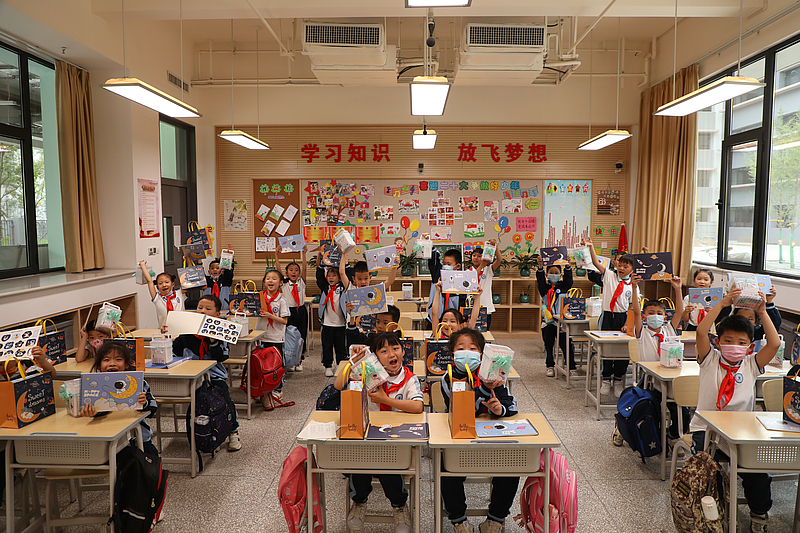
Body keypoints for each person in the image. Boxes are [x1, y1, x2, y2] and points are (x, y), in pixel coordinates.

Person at [690, 288, 779, 533]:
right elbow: (701, 332)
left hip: (741, 432)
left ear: (750, 347)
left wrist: (762, 311)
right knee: (710, 472)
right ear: (718, 342)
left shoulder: (751, 364)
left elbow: (774, 343)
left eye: (741, 343)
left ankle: (759, 513)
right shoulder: (709, 359)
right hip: (706, 429)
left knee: (757, 473)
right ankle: (713, 513)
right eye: (728, 341)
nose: (734, 346)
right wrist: (721, 305)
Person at [333, 332, 421, 533]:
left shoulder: (409, 379)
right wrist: (353, 361)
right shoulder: (367, 373)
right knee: (359, 461)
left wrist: (385, 400)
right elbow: (338, 385)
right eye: (384, 351)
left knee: (388, 464)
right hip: (367, 440)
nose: (391, 354)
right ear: (374, 356)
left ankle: (399, 506)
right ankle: (359, 501)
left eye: (395, 348)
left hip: (396, 442)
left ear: (403, 351)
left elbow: (417, 407)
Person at [440, 328, 519, 533]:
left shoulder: (494, 375)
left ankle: (495, 520)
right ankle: (459, 521)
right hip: (460, 441)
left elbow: (512, 406)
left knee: (513, 465)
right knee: (445, 467)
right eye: (461, 348)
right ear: (452, 354)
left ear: (483, 354)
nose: (466, 352)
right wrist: (484, 389)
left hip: (492, 441)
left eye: (473, 348)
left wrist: (499, 409)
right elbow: (461, 406)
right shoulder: (449, 377)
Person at [172, 295, 241, 451]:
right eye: (200, 308)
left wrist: (212, 340)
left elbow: (222, 356)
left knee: (226, 402)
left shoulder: (220, 332)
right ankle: (204, 434)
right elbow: (175, 351)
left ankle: (233, 431)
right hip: (191, 377)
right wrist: (168, 334)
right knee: (198, 407)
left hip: (214, 377)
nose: (203, 311)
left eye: (208, 309)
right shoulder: (188, 331)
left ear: (217, 314)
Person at [583, 238, 638, 397]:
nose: (621, 268)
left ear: (632, 269)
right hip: (608, 317)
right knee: (606, 349)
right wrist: (591, 247)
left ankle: (618, 380)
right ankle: (606, 379)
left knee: (623, 351)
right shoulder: (608, 275)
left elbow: (632, 306)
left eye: (626, 267)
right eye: (620, 265)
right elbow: (595, 262)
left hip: (623, 318)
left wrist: (627, 323)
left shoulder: (632, 285)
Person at [82, 342, 158, 456]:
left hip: (138, 438)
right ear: (99, 366)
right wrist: (91, 412)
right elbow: (97, 410)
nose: (112, 363)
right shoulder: (93, 387)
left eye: (118, 359)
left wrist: (144, 402)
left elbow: (153, 406)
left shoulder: (137, 384)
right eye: (106, 360)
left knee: (150, 457)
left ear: (126, 364)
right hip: (107, 438)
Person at [342, 259, 398, 351]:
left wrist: (395, 266)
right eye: (360, 279)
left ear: (370, 277)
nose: (363, 282)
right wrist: (343, 255)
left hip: (373, 333)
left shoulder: (375, 291)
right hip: (356, 331)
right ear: (354, 279)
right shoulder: (352, 290)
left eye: (366, 278)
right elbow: (342, 274)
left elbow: (390, 281)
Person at [535, 257, 577, 377]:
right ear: (547, 275)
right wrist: (540, 266)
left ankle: (571, 367)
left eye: (556, 273)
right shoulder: (544, 288)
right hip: (548, 322)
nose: (554, 275)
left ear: (560, 275)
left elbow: (569, 280)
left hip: (562, 322)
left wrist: (568, 265)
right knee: (548, 345)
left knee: (566, 345)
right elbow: (540, 280)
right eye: (551, 273)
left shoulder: (564, 286)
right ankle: (550, 366)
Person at [256, 268, 291, 406]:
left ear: (281, 283)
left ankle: (278, 389)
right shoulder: (259, 298)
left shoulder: (282, 301)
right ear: (264, 282)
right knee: (261, 365)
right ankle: (263, 390)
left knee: (276, 365)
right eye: (268, 278)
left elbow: (284, 321)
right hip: (261, 336)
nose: (271, 281)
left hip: (276, 338)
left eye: (274, 278)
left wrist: (270, 316)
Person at [316, 244, 348, 377]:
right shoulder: (325, 288)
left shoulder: (344, 288)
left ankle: (340, 365)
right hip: (327, 324)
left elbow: (346, 272)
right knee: (327, 346)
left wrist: (344, 255)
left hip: (341, 324)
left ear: (339, 278)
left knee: (341, 347)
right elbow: (319, 274)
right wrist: (320, 256)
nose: (331, 278)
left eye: (334, 275)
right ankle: (328, 366)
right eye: (329, 275)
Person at [275, 249, 308, 371]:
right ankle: (289, 361)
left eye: (296, 270)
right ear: (286, 273)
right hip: (289, 311)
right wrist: (276, 255)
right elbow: (278, 270)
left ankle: (299, 360)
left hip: (301, 311)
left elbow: (305, 269)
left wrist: (304, 254)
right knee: (289, 336)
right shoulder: (284, 283)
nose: (294, 272)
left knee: (302, 335)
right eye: (291, 270)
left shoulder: (301, 282)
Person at [139, 260, 184, 332]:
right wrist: (143, 265)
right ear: (157, 287)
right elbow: (150, 281)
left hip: (181, 329)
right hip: (164, 331)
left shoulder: (179, 294)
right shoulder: (157, 298)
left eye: (167, 282)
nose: (164, 285)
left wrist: (188, 259)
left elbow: (187, 279)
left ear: (173, 284)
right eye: (160, 283)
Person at [467, 241, 501, 329]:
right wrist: (481, 266)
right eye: (474, 255)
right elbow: (472, 280)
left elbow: (499, 260)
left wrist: (495, 247)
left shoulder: (488, 269)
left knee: (485, 332)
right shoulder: (468, 272)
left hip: (486, 307)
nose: (476, 258)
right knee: (471, 331)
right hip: (471, 307)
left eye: (479, 256)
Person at [426, 248, 464, 327]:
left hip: (453, 324)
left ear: (458, 266)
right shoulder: (438, 276)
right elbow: (433, 263)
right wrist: (431, 248)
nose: (446, 266)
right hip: (434, 321)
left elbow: (462, 306)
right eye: (444, 264)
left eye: (449, 264)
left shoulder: (461, 282)